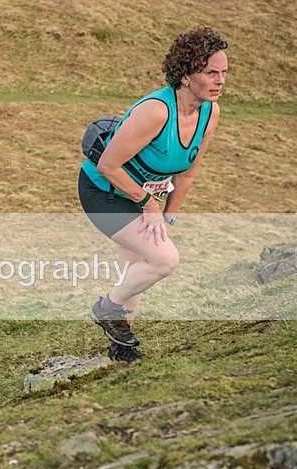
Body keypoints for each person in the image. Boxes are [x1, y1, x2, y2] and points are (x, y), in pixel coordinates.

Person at [78, 27, 227, 362]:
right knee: (164, 259)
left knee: (138, 263)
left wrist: (167, 214)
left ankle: (121, 349)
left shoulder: (210, 112)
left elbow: (187, 172)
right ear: (187, 74)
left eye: (223, 73)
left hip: (144, 197)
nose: (219, 81)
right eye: (211, 73)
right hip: (103, 191)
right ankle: (107, 308)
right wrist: (149, 205)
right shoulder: (157, 111)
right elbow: (108, 165)